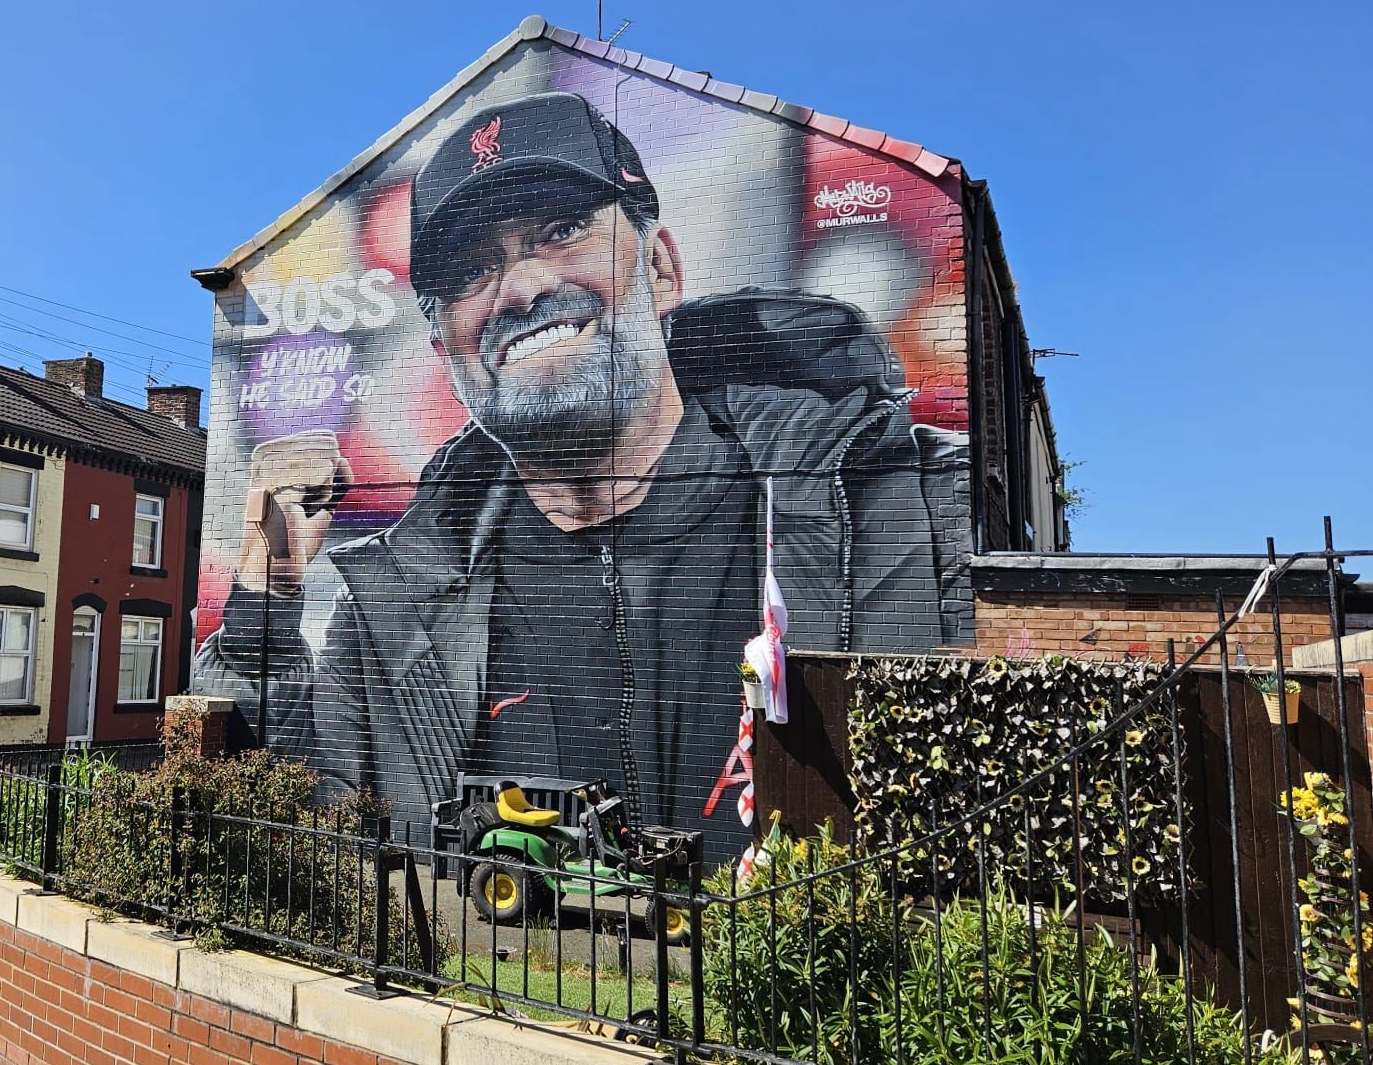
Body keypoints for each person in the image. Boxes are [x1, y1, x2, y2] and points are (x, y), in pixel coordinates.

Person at [195, 91, 967, 838]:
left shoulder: (895, 504)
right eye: (470, 272)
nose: (521, 286)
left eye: (562, 229)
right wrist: (268, 593)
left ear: (662, 268)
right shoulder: (387, 604)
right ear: (445, 354)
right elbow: (293, 827)